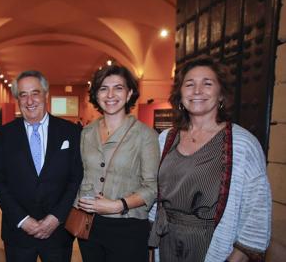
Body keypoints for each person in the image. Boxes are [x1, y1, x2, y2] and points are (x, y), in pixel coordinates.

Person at [148, 57, 272, 261]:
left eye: (207, 83)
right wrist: (152, 247)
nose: (197, 91)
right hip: (166, 241)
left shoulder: (242, 144)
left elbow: (256, 209)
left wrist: (236, 258)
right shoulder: (165, 139)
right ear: (180, 95)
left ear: (221, 94)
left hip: (212, 244)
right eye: (189, 84)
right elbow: (155, 197)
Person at [0, 70, 83, 262]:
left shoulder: (71, 132)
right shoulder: (3, 135)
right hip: (18, 234)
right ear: (18, 99)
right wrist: (23, 221)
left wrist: (56, 217)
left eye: (35, 93)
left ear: (46, 95)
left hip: (58, 233)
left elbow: (75, 179)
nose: (29, 100)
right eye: (23, 95)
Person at [75, 65, 159, 261]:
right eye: (103, 88)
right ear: (96, 94)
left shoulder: (145, 135)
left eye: (118, 88)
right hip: (89, 224)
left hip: (127, 226)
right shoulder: (86, 133)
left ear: (129, 93)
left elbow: (152, 186)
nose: (110, 94)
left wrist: (117, 205)